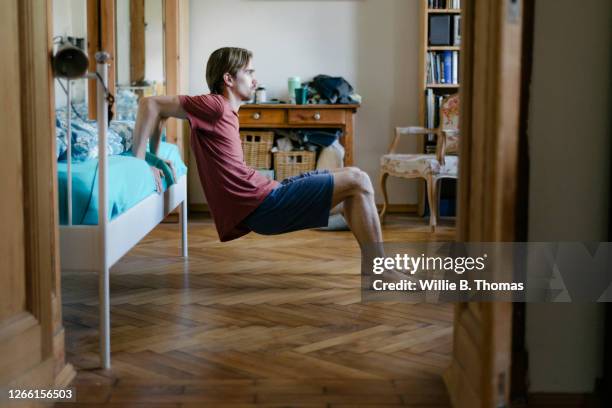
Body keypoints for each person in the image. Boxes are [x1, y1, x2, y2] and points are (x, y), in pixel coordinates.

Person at [131, 46, 384, 261]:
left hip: (268, 193)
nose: (254, 79)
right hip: (262, 205)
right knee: (360, 180)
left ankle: (374, 270)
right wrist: (141, 162)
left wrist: (156, 154)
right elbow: (149, 103)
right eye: (249, 72)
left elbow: (161, 112)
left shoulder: (222, 110)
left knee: (353, 178)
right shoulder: (216, 104)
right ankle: (379, 271)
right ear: (229, 79)